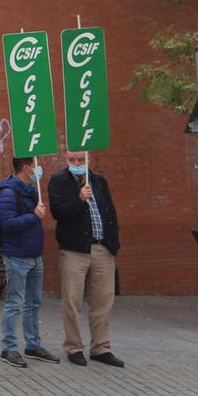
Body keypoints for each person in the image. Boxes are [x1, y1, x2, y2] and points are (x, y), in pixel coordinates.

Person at [48, 150, 123, 367]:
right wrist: (79, 200)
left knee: (102, 301)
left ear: (87, 159)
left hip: (102, 248)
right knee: (72, 300)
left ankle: (101, 347)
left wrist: (113, 243)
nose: (77, 163)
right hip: (75, 250)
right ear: (67, 160)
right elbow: (58, 212)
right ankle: (74, 346)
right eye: (72, 160)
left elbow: (110, 211)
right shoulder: (59, 181)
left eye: (81, 160)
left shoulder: (98, 181)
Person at [0, 156, 58, 368]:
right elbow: (8, 224)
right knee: (15, 303)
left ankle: (33, 344)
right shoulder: (8, 193)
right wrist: (34, 216)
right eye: (36, 166)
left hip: (34, 256)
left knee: (34, 303)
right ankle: (9, 348)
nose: (39, 169)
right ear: (26, 167)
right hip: (17, 256)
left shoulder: (31, 190)